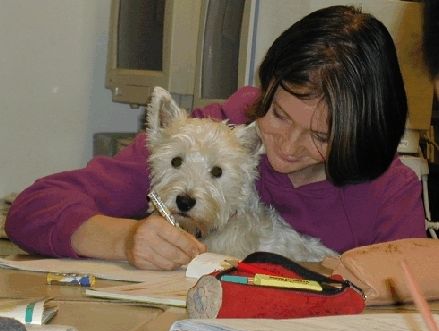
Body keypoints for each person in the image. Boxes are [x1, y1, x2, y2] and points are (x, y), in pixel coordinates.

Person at [5, 5, 426, 270]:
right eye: (278, 115)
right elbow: (34, 209)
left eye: (321, 136)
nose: (288, 145)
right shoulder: (215, 133)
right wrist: (125, 239)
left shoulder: (388, 188)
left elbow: (419, 283)